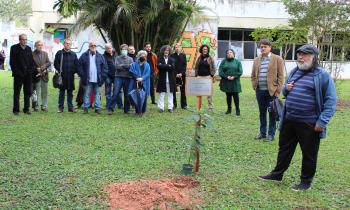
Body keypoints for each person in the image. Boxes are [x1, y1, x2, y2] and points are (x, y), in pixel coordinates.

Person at [258, 44, 337, 191]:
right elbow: (286, 91)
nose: (300, 57)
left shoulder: (322, 75)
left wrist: (322, 121)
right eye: (299, 54)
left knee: (309, 153)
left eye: (304, 54)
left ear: (314, 57)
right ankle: (277, 174)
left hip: (309, 122)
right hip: (289, 119)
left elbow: (331, 100)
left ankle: (305, 182)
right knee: (284, 148)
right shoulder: (295, 71)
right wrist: (285, 89)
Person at [251, 39, 284, 141]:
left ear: (270, 47)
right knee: (262, 112)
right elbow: (253, 75)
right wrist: (254, 85)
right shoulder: (257, 60)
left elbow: (281, 76)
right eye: (261, 47)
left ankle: (271, 134)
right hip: (260, 91)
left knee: (272, 113)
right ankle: (262, 132)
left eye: (265, 46)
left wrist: (277, 90)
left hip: (272, 91)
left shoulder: (277, 59)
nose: (263, 48)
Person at [78, 41, 108, 114]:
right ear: (89, 47)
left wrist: (103, 78)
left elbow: (105, 68)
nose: (93, 46)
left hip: (98, 79)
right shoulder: (84, 55)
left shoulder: (100, 56)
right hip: (87, 79)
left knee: (97, 94)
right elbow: (79, 66)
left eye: (95, 45)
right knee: (86, 94)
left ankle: (97, 108)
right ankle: (86, 108)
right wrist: (82, 75)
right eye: (92, 45)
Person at [10, 34, 35, 115]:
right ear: (19, 40)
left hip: (28, 75)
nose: (25, 41)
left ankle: (26, 109)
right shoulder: (14, 48)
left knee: (27, 92)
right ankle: (16, 110)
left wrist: (30, 71)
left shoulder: (28, 48)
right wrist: (17, 72)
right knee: (17, 92)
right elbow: (12, 62)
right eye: (23, 39)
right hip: (18, 75)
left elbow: (31, 62)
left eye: (26, 40)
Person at [54, 38, 79, 113]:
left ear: (71, 45)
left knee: (70, 93)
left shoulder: (74, 54)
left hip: (70, 76)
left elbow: (76, 65)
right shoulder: (59, 53)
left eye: (69, 44)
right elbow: (56, 63)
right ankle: (60, 107)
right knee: (61, 92)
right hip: (62, 76)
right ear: (64, 44)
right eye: (66, 43)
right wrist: (59, 70)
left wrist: (74, 71)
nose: (68, 45)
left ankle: (70, 107)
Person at [107, 44, 133, 114]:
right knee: (115, 93)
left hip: (127, 78)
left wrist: (122, 66)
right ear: (121, 50)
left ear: (127, 51)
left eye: (125, 49)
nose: (124, 51)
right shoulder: (117, 58)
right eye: (122, 49)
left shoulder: (130, 59)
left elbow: (131, 68)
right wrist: (126, 66)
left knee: (127, 94)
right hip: (118, 77)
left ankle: (126, 110)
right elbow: (117, 67)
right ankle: (110, 109)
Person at [219, 49, 243, 115]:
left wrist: (234, 77)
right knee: (228, 96)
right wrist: (226, 77)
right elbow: (220, 71)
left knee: (236, 96)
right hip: (226, 81)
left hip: (235, 82)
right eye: (228, 53)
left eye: (231, 52)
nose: (229, 54)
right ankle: (229, 109)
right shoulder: (224, 61)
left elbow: (240, 71)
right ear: (226, 54)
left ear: (233, 54)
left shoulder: (237, 62)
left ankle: (237, 110)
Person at [194, 44, 216, 112]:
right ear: (201, 50)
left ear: (208, 50)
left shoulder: (210, 58)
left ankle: (210, 107)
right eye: (204, 49)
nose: (205, 50)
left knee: (209, 94)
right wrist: (196, 75)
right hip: (199, 77)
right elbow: (196, 67)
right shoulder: (199, 58)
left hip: (207, 77)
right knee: (199, 93)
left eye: (206, 49)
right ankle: (198, 107)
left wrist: (211, 75)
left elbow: (214, 68)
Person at [129, 50, 151, 115]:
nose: (142, 56)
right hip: (135, 82)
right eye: (141, 55)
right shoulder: (134, 64)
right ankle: (137, 111)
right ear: (138, 56)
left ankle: (143, 111)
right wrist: (137, 78)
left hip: (145, 82)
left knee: (144, 96)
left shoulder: (147, 65)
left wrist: (142, 78)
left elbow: (148, 73)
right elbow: (131, 72)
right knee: (136, 96)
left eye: (144, 55)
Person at [32, 40, 51, 112]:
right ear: (35, 46)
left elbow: (49, 63)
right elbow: (30, 65)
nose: (40, 46)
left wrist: (43, 67)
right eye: (38, 45)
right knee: (36, 92)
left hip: (44, 75)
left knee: (44, 92)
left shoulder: (45, 54)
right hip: (36, 76)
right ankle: (35, 106)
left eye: (41, 45)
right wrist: (36, 69)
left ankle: (44, 106)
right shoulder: (32, 54)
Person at [157, 45, 176, 113]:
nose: (166, 51)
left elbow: (173, 68)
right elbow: (159, 67)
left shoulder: (172, 59)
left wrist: (164, 66)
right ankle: (161, 107)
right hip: (162, 79)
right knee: (161, 94)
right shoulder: (159, 59)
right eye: (165, 50)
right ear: (163, 51)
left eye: (168, 50)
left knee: (170, 93)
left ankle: (170, 107)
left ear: (169, 51)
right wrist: (168, 65)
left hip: (170, 79)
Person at [103, 43, 122, 111]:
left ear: (112, 48)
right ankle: (108, 106)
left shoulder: (116, 55)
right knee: (108, 92)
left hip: (116, 75)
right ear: (105, 49)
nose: (109, 49)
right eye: (107, 48)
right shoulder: (103, 56)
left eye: (110, 48)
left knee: (117, 91)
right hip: (108, 76)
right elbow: (104, 67)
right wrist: (106, 75)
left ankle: (120, 105)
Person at [171, 43, 187, 109]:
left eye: (178, 47)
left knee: (183, 90)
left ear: (181, 48)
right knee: (174, 90)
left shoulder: (183, 55)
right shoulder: (172, 56)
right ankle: (174, 104)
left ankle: (184, 105)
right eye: (176, 47)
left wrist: (181, 73)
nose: (177, 48)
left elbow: (184, 65)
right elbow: (172, 66)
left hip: (182, 75)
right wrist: (175, 74)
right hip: (174, 75)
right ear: (174, 48)